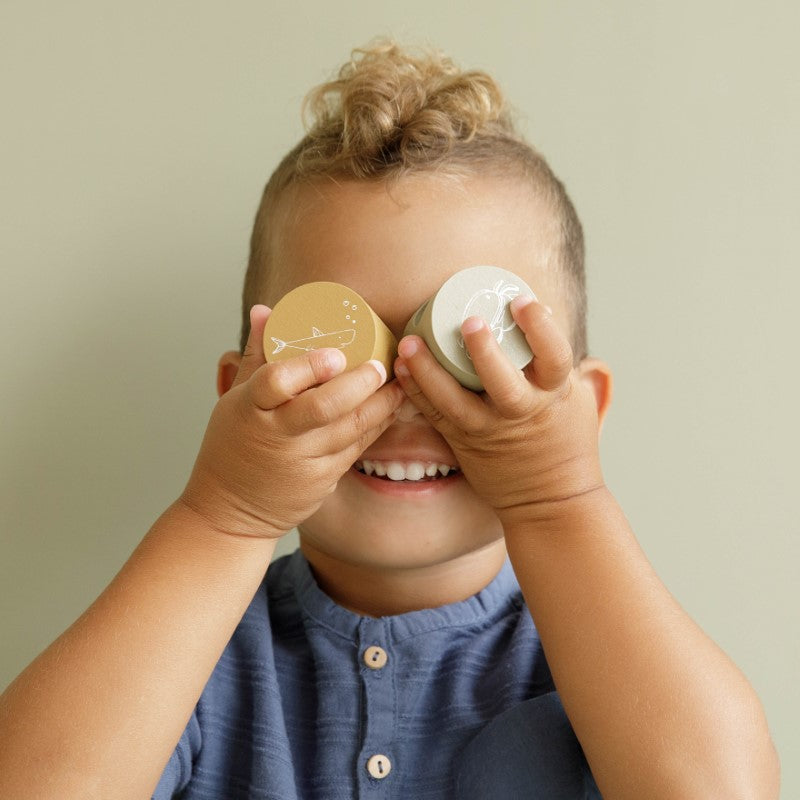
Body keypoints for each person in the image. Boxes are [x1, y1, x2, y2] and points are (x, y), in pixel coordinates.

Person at [0, 41, 779, 800]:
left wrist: (558, 500)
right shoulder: (184, 661)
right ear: (238, 398)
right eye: (338, 353)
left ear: (586, 410)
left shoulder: (605, 661)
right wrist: (225, 515)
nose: (408, 398)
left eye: (475, 358)